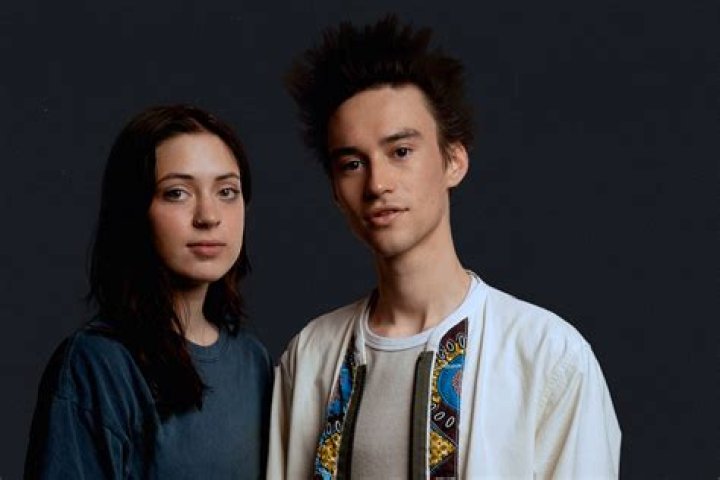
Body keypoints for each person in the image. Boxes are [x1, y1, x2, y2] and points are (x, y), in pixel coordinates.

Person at [268, 16, 621, 479]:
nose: (377, 184)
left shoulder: (546, 356)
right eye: (352, 164)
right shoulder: (311, 356)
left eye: (401, 152)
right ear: (335, 190)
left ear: (454, 160)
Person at [25, 105, 272, 478]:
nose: (209, 216)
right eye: (177, 193)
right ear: (134, 210)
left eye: (227, 191)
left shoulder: (253, 362)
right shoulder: (98, 364)